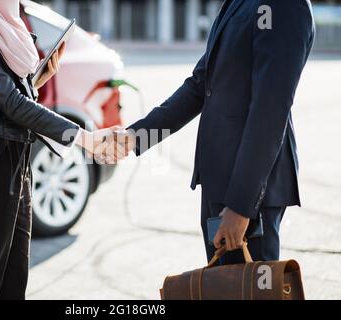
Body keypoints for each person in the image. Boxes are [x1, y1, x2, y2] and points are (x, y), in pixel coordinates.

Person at [106, 0, 315, 264]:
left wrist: (241, 205)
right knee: (223, 287)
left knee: (250, 290)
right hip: (220, 181)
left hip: (248, 194)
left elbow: (270, 111)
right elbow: (200, 85)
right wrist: (135, 136)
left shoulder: (284, 6)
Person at [0, 0, 110, 299]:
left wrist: (39, 78)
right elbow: (10, 103)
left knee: (14, 277)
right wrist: (83, 138)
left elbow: (8, 96)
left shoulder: (2, 21)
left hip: (16, 155)